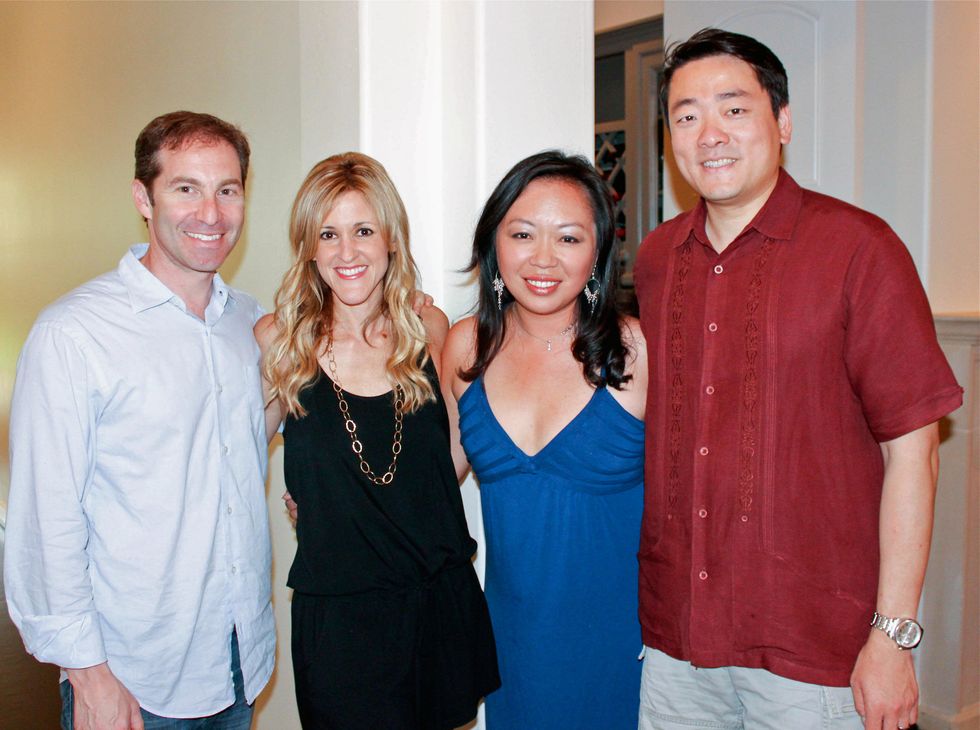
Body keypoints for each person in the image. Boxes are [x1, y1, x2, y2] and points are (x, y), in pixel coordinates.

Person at [633, 28, 963, 730]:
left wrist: (893, 637)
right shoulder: (657, 259)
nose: (710, 134)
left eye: (734, 108)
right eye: (687, 116)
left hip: (816, 653)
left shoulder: (859, 249)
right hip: (677, 643)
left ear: (782, 122)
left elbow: (915, 453)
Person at [4, 111, 274, 729]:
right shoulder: (73, 334)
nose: (211, 213)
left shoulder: (248, 323)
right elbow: (45, 521)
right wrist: (88, 675)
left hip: (239, 660)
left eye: (227, 190)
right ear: (143, 199)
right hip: (132, 678)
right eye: (186, 188)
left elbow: (241, 447)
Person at [255, 152, 500, 729]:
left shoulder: (428, 328)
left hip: (436, 601)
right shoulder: (279, 342)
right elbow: (234, 457)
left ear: (391, 238)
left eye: (363, 230)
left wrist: (381, 500)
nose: (348, 252)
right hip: (340, 621)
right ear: (308, 247)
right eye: (329, 234)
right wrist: (320, 497)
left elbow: (449, 453)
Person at [441, 151, 648, 729]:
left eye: (569, 238)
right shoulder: (465, 347)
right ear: (494, 242)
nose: (543, 258)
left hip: (623, 643)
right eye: (523, 234)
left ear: (598, 253)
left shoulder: (637, 349)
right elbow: (433, 480)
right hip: (513, 641)